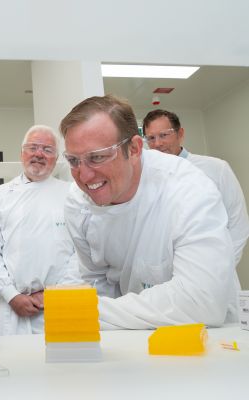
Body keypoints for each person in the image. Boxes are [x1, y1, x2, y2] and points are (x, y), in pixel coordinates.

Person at [60, 95, 237, 329]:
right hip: (130, 335)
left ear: (134, 148)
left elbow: (202, 301)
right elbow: (96, 280)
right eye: (73, 160)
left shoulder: (187, 189)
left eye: (97, 157)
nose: (84, 176)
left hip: (208, 338)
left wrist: (81, 312)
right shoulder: (78, 202)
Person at [0, 125, 80, 335]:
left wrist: (55, 294)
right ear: (21, 153)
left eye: (47, 150)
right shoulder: (1, 195)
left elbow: (81, 253)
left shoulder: (71, 194)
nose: (39, 154)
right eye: (33, 147)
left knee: (60, 364)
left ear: (56, 159)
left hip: (59, 302)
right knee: (14, 364)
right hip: (11, 306)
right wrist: (11, 295)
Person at [142, 109, 249, 268]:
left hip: (215, 269)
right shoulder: (147, 179)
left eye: (164, 135)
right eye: (151, 138)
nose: (157, 144)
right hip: (167, 277)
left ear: (180, 134)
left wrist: (220, 268)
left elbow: (238, 223)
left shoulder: (216, 168)